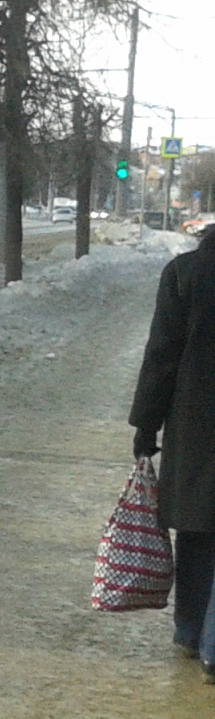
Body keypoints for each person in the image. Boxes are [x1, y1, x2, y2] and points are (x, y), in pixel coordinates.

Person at [130, 223, 215, 674]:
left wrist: (146, 424)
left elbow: (161, 355)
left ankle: (189, 632)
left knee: (198, 530)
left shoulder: (186, 273)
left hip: (196, 423)